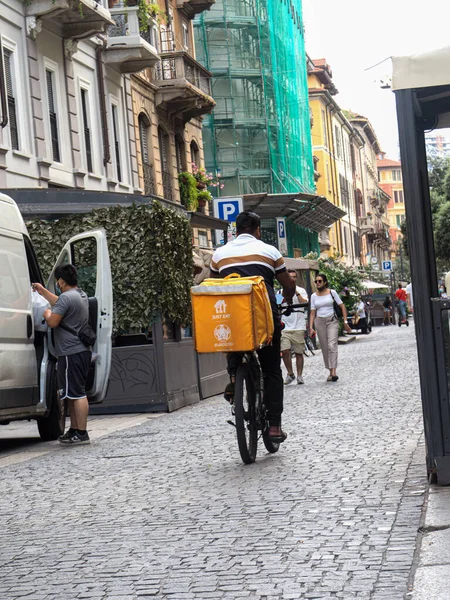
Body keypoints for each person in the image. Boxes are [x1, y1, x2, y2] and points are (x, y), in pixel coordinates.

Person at [210, 211, 295, 442]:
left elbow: (212, 286)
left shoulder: (219, 255)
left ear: (236, 230)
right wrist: (286, 299)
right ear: (257, 230)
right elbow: (288, 284)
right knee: (271, 370)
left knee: (232, 340)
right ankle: (275, 426)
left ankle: (235, 378)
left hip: (233, 318)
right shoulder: (269, 251)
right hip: (264, 318)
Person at [33, 264, 92, 445]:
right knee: (73, 394)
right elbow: (60, 301)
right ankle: (74, 430)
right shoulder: (80, 295)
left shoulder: (67, 298)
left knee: (76, 393)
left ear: (60, 281)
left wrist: (46, 311)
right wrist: (42, 292)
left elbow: (52, 321)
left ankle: (81, 433)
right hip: (81, 350)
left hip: (70, 352)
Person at [308, 274, 351, 382]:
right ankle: (330, 370)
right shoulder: (313, 296)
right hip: (319, 321)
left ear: (325, 282)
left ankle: (333, 372)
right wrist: (310, 327)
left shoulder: (332, 292)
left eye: (320, 281)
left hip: (332, 320)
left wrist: (345, 322)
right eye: (316, 281)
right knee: (324, 347)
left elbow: (342, 306)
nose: (317, 283)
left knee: (332, 345)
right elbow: (312, 312)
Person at [281, 269, 308, 385]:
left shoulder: (301, 290)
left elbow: (305, 302)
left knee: (298, 352)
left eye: (294, 277)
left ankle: (300, 375)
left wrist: (295, 291)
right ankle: (290, 373)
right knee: (285, 350)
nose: (292, 279)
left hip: (298, 325)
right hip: (285, 326)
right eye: (290, 277)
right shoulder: (280, 291)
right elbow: (278, 304)